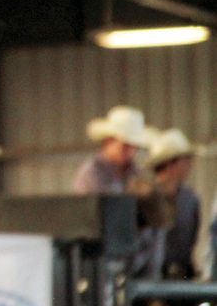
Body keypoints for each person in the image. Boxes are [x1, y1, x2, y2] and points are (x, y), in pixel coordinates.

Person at [72, 105, 167, 278]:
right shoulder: (91, 174)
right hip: (100, 265)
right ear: (109, 141)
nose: (131, 151)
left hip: (136, 263)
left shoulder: (139, 175)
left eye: (134, 146)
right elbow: (96, 220)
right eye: (125, 145)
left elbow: (156, 224)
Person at [147, 128, 200, 281]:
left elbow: (191, 239)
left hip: (182, 274)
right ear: (170, 163)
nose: (190, 164)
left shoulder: (190, 198)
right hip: (151, 276)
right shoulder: (146, 198)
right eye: (186, 159)